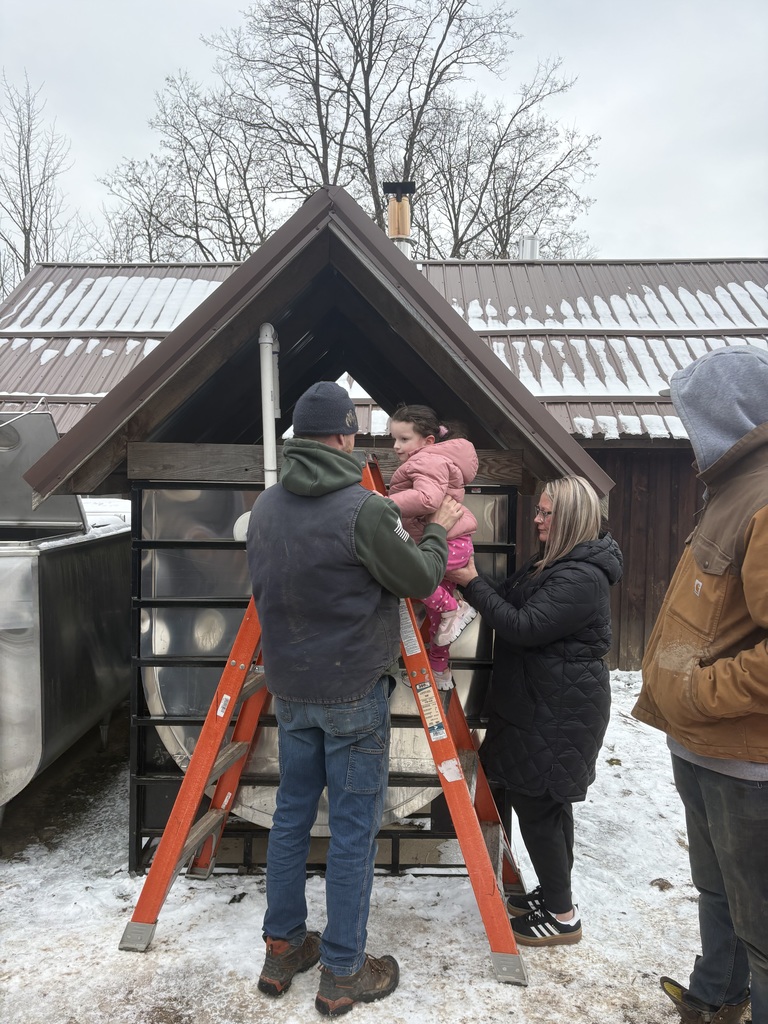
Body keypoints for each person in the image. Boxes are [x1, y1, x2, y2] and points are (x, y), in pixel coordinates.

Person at [245, 381, 463, 1017]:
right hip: (352, 691)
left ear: (297, 441)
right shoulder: (365, 509)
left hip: (291, 689)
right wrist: (440, 528)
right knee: (349, 832)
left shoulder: (264, 508)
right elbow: (420, 578)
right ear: (344, 438)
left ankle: (282, 947)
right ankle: (342, 971)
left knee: (290, 819)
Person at [632, 345, 768, 1024]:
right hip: (701, 746)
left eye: (693, 414)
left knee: (764, 924)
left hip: (746, 760)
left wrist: (699, 693)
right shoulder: (731, 490)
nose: (686, 430)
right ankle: (718, 997)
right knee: (717, 893)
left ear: (728, 413)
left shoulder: (766, 498)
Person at [449, 475, 622, 947]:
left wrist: (469, 582)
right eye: (540, 510)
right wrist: (469, 579)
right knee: (545, 801)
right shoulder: (554, 563)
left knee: (539, 804)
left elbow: (522, 626)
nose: (538, 518)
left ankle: (563, 916)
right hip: (540, 702)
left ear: (569, 518)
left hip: (559, 709)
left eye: (547, 513)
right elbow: (506, 596)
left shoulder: (580, 577)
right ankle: (553, 893)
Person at [388, 404, 479, 690]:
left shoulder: (426, 461)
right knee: (440, 626)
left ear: (428, 441)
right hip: (454, 544)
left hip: (445, 543)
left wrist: (384, 504)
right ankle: (440, 670)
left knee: (411, 576)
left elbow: (427, 500)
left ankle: (456, 609)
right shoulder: (432, 460)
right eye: (394, 439)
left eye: (404, 439)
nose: (396, 446)